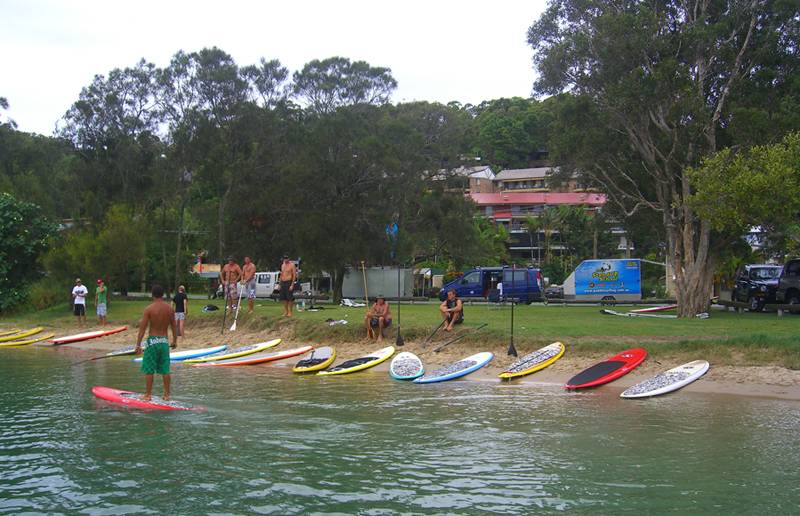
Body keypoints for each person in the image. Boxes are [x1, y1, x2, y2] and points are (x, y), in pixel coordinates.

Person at [134, 284, 178, 401]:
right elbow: (174, 326)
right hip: (164, 341)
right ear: (162, 294)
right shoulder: (169, 309)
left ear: (152, 295)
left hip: (153, 341)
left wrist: (138, 345)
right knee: (165, 369)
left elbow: (142, 329)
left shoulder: (149, 309)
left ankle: (148, 395)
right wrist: (174, 340)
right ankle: (166, 395)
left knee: (149, 368)